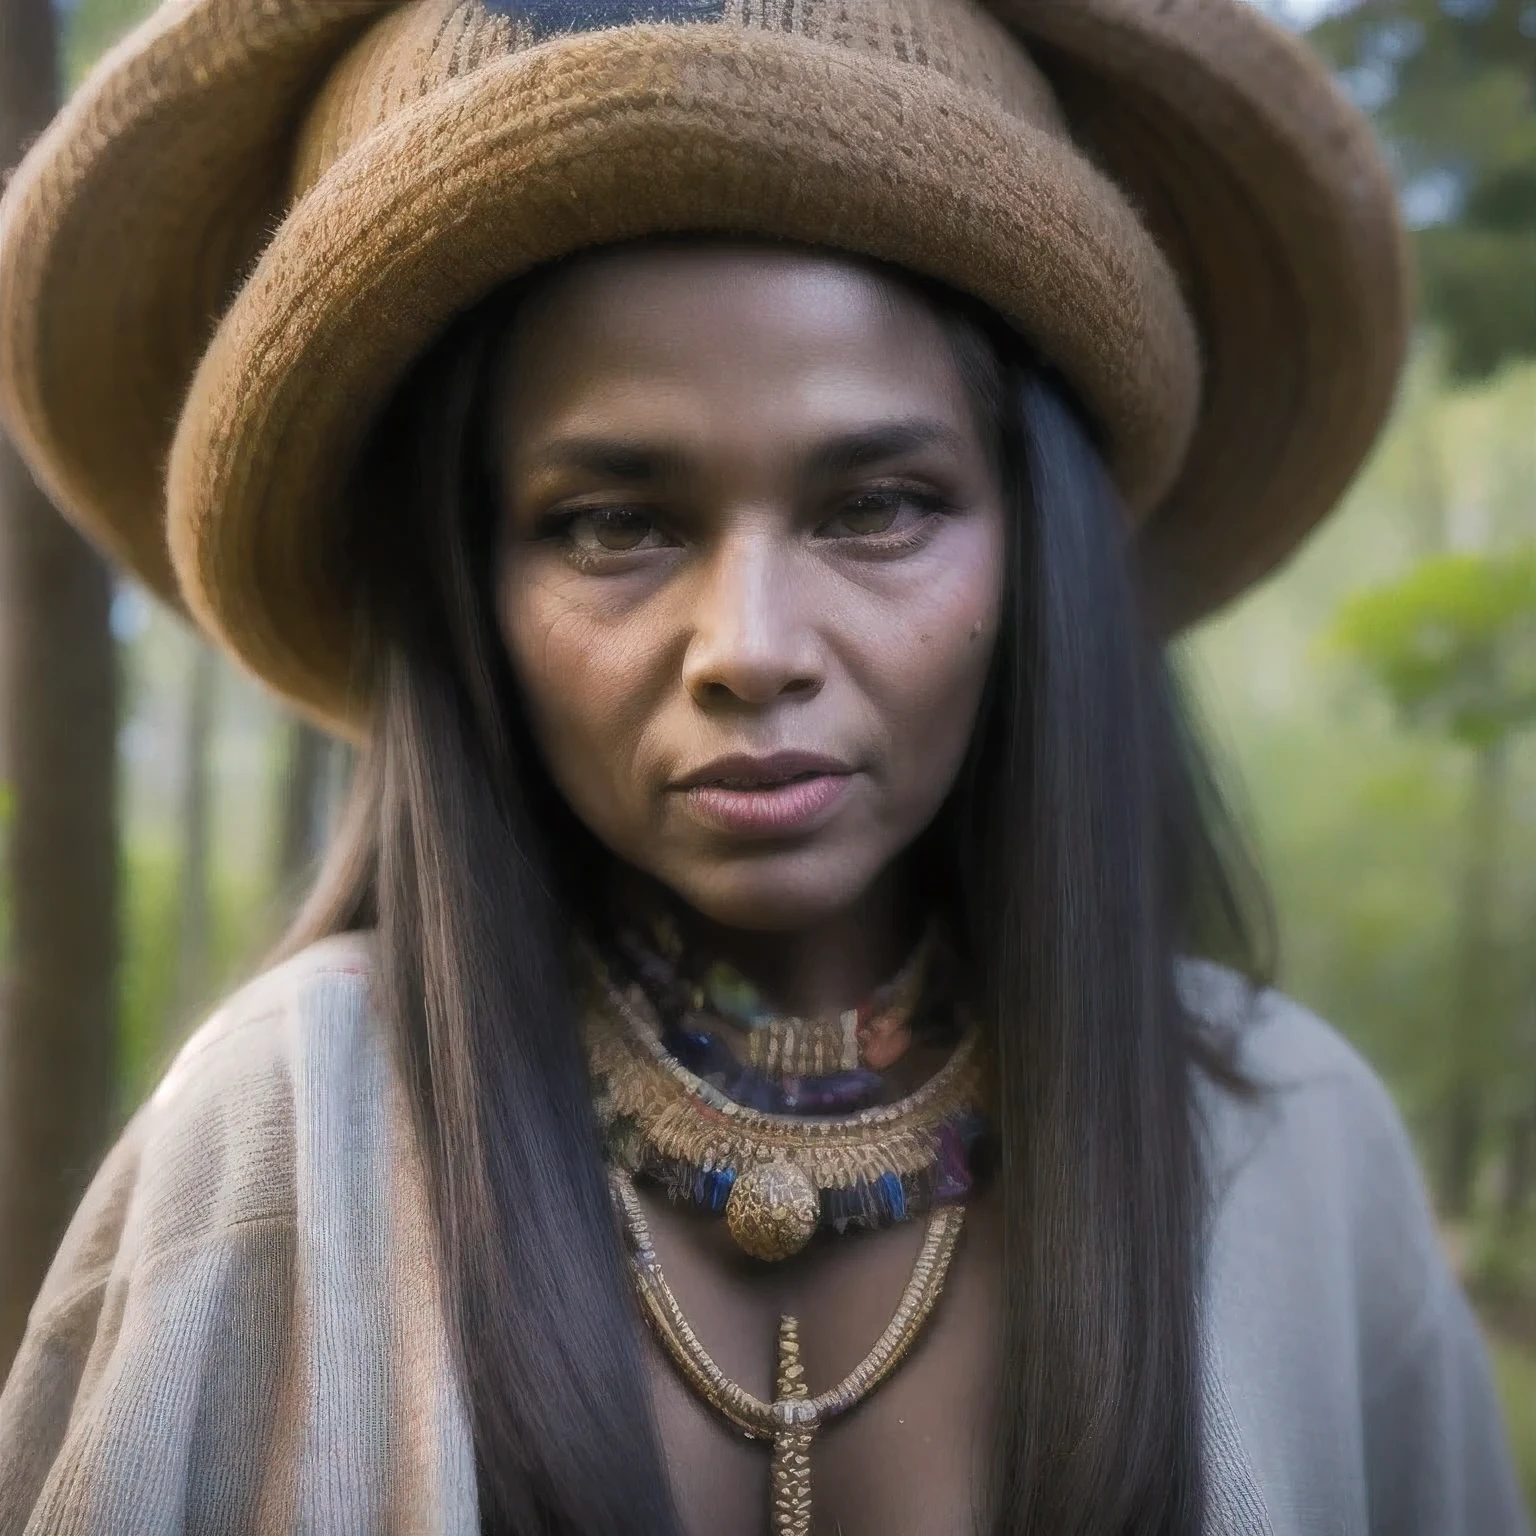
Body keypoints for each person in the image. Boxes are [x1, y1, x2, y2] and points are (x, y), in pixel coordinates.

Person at [0, 1, 1527, 1533]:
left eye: (877, 506)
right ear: (466, 589)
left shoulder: (1296, 1151)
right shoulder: (282, 1139)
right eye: (612, 524)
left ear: (1038, 545)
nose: (750, 645)